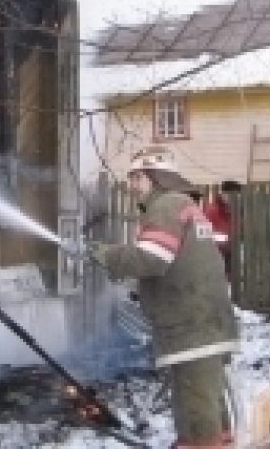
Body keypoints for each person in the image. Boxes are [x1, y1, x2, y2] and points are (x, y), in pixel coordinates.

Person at [91, 147, 239, 448]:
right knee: (207, 399)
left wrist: (105, 254)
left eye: (136, 178)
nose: (131, 186)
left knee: (195, 403)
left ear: (154, 177)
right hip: (206, 320)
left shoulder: (167, 205)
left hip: (191, 326)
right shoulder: (185, 205)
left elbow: (152, 258)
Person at [203, 181, 242, 282]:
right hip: (215, 255)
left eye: (237, 196)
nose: (233, 199)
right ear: (223, 194)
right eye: (230, 196)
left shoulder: (237, 211)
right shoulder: (211, 211)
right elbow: (203, 234)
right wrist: (226, 239)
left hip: (232, 254)